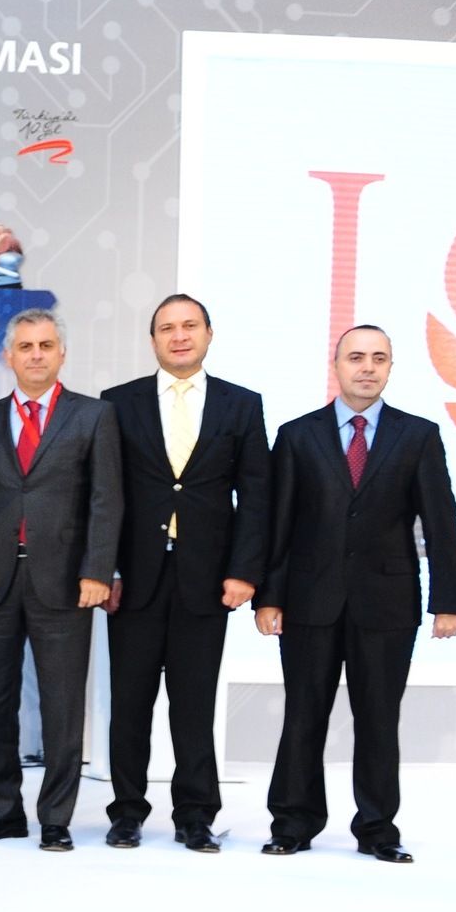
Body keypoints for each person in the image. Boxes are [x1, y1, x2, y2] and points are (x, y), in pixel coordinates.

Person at [257, 325, 456, 863]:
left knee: (378, 719)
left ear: (391, 367)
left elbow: (441, 522)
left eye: (378, 358)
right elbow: (279, 525)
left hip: (387, 604)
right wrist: (269, 597)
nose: (367, 367)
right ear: (337, 365)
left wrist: (449, 602)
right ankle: (292, 823)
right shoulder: (297, 435)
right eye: (356, 357)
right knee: (303, 715)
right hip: (309, 600)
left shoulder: (417, 435)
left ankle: (377, 829)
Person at [98, 294, 270, 852]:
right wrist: (106, 569)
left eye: (189, 326)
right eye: (167, 328)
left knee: (194, 706)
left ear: (209, 334)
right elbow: (104, 495)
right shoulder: (117, 403)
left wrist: (244, 572)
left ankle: (195, 814)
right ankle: (126, 812)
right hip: (134, 580)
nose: (179, 336)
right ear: (152, 340)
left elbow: (257, 497)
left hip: (207, 579)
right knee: (129, 705)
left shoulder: (241, 405)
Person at [0, 309, 121, 852]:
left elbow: (106, 499)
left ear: (61, 354)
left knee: (62, 706)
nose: (35, 355)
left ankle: (56, 818)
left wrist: (97, 571)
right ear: (8, 355)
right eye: (25, 346)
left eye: (45, 345)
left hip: (66, 583)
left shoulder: (94, 415)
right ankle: (1, 812)